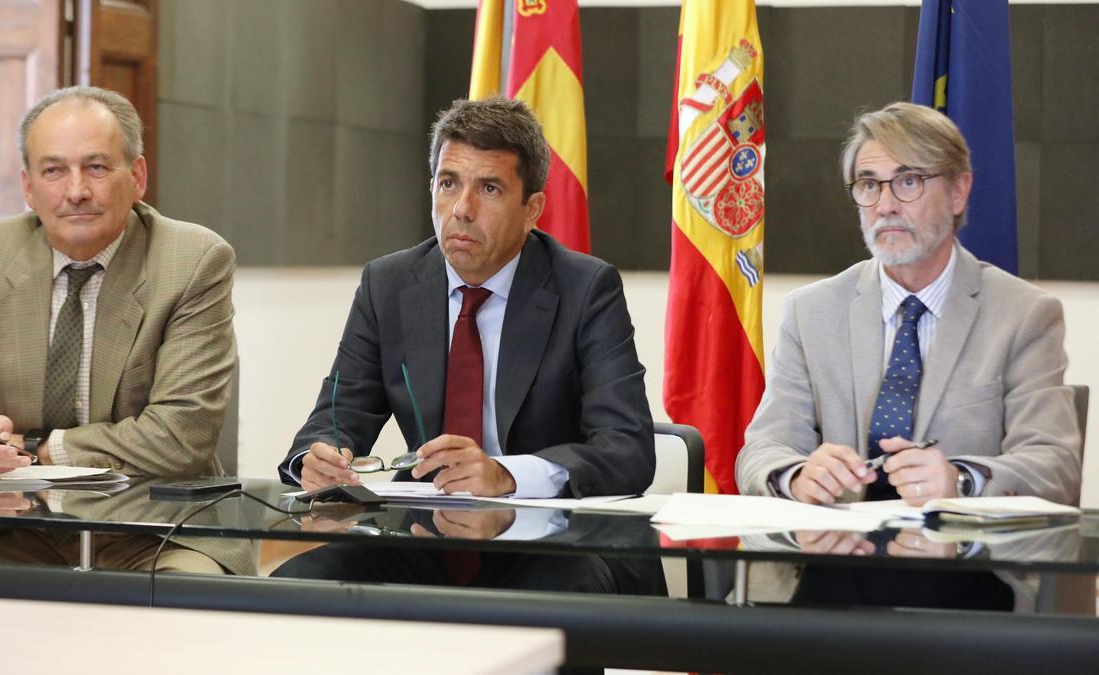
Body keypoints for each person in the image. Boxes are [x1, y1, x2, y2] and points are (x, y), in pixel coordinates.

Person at [273, 97, 658, 599]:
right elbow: (339, 414)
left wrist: (505, 475)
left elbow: (627, 448)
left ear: (532, 209)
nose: (461, 210)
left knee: (551, 601)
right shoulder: (389, 284)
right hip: (428, 536)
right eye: (448, 183)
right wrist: (317, 456)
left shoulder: (585, 289)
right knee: (297, 587)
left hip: (554, 545)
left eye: (489, 188)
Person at [735, 101, 1080, 609]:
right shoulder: (813, 311)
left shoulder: (1024, 315)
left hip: (965, 574)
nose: (886, 204)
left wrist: (960, 479)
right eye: (869, 184)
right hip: (835, 567)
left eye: (909, 181)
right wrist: (798, 475)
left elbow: (1054, 465)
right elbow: (760, 451)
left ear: (959, 190)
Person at [0, 86, 244, 574]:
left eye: (97, 167)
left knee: (191, 609)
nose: (76, 190)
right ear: (28, 186)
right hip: (5, 525)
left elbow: (179, 436)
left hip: (155, 528)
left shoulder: (192, 261)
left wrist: (37, 449)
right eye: (54, 170)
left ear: (137, 176)